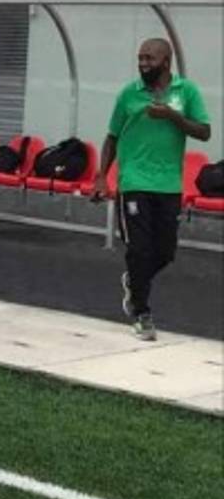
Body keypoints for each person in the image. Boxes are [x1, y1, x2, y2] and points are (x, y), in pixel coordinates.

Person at [91, 38, 211, 341]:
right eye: (140, 58)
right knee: (139, 249)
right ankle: (141, 312)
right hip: (133, 182)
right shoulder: (129, 95)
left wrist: (172, 116)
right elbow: (112, 137)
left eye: (150, 58)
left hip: (169, 184)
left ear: (166, 61)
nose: (143, 63)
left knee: (165, 252)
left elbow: (204, 132)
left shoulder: (187, 92)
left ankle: (134, 281)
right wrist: (102, 176)